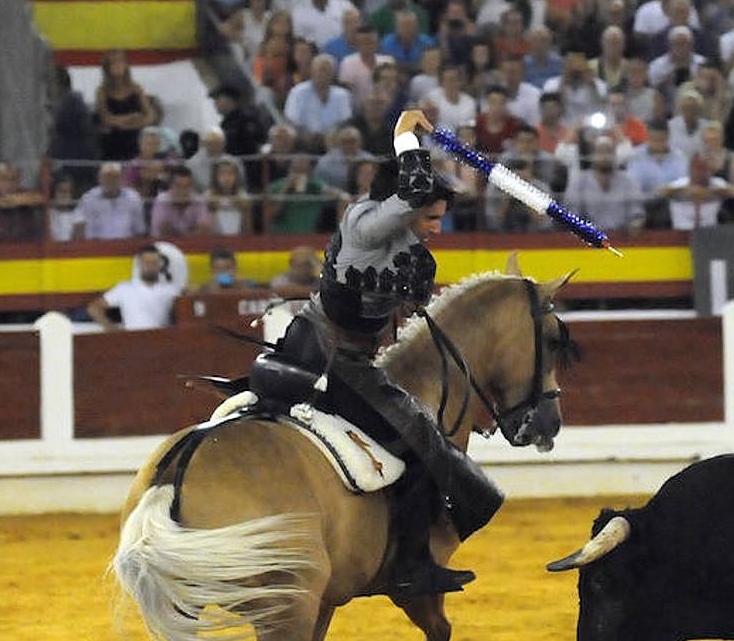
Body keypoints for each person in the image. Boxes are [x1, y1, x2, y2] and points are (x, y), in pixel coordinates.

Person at [266, 109, 503, 596]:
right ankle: (413, 564)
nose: (436, 225)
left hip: (322, 349)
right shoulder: (368, 223)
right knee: (422, 445)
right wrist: (404, 134)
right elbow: (414, 190)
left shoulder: (406, 246)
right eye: (430, 217)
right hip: (335, 362)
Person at [86, 244, 184, 330]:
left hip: (161, 342)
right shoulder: (124, 288)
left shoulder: (171, 289)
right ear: (139, 264)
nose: (150, 266)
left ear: (160, 265)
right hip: (132, 343)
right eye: (147, 262)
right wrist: (111, 328)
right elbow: (94, 308)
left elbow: (189, 305)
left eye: (154, 262)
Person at [76, 162, 147, 240]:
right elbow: (81, 230)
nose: (110, 180)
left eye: (115, 177)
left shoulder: (134, 198)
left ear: (122, 178)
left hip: (126, 247)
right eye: (107, 176)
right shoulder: (88, 199)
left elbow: (140, 230)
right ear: (99, 178)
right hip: (95, 248)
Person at [191, 247, 259, 293]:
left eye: (227, 268)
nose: (223, 273)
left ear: (235, 268)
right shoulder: (204, 289)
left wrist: (242, 289)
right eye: (219, 269)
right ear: (212, 270)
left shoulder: (248, 283)